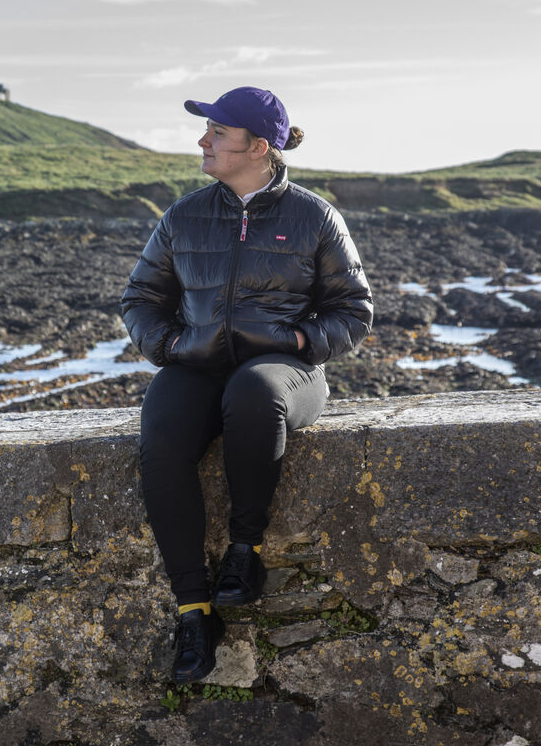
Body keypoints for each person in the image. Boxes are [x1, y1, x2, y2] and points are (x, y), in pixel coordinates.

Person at [121, 86, 373, 684]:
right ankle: (194, 612)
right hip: (199, 365)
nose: (202, 141)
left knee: (254, 394)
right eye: (207, 132)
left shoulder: (312, 216)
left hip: (287, 374)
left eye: (217, 133)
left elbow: (353, 309)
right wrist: (176, 347)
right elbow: (141, 301)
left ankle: (245, 553)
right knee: (160, 435)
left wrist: (297, 343)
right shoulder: (184, 216)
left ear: (259, 147)